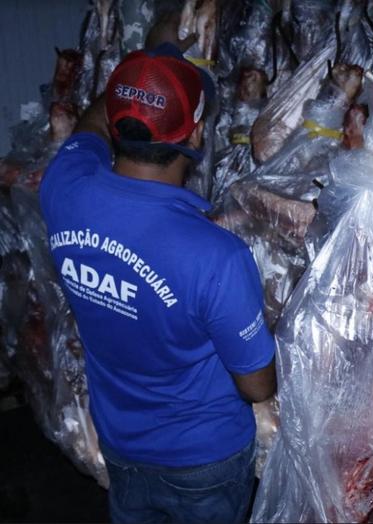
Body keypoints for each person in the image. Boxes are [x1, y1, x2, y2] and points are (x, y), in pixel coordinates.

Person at [39, 15, 276, 524]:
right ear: (196, 133)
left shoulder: (63, 187)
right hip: (203, 458)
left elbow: (89, 127)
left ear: (117, 124)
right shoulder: (217, 255)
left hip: (121, 442)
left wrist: (147, 64)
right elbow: (257, 387)